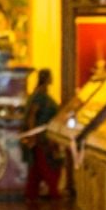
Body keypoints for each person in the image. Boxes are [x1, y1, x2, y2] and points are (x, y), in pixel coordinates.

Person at [23, 69, 62, 200]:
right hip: (42, 137)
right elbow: (32, 116)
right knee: (48, 166)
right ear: (47, 79)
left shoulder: (42, 94)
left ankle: (32, 193)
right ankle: (53, 192)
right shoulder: (39, 96)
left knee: (37, 168)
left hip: (45, 135)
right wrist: (33, 136)